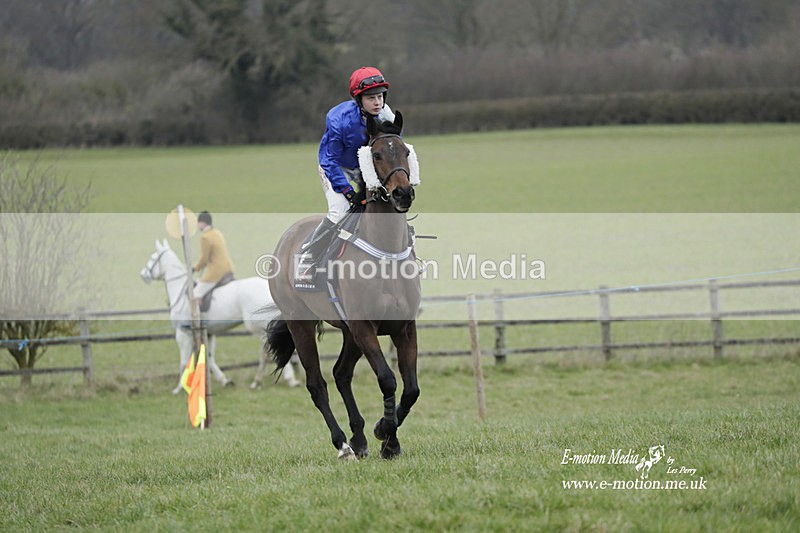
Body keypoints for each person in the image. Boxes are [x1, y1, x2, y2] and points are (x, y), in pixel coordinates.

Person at [298, 66, 396, 266]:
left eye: (380, 97)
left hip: (366, 168)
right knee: (340, 210)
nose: (377, 102)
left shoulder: (387, 116)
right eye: (371, 98)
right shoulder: (339, 120)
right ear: (359, 100)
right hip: (336, 168)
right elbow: (329, 160)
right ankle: (307, 257)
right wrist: (348, 191)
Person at [192, 211, 234, 304]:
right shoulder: (217, 232)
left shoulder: (205, 237)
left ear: (202, 223)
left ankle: (197, 317)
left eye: (198, 223)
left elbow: (204, 258)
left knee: (195, 294)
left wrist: (194, 268)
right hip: (228, 268)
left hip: (216, 271)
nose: (198, 226)